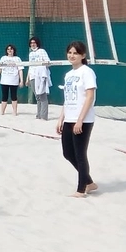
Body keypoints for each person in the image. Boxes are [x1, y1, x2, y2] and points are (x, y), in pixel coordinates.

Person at [57, 40, 98, 198]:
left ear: (83, 55)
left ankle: (81, 189)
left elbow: (89, 97)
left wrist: (80, 120)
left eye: (75, 53)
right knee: (67, 153)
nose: (72, 55)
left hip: (83, 119)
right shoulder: (69, 75)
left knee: (80, 154)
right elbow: (67, 99)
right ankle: (89, 182)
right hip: (69, 118)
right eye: (70, 52)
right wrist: (61, 118)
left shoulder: (86, 72)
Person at [0, 43, 24, 115]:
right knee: (4, 96)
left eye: (11, 49)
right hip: (4, 80)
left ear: (14, 50)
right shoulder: (3, 58)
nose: (10, 50)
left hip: (14, 80)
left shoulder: (17, 59)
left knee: (14, 96)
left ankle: (14, 112)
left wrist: (21, 80)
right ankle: (2, 112)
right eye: (8, 49)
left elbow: (20, 70)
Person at [27, 36, 52, 120]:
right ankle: (39, 115)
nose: (32, 44)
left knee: (43, 96)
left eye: (34, 43)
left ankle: (44, 116)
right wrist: (28, 78)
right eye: (31, 43)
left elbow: (48, 62)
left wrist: (42, 70)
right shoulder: (31, 54)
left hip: (41, 76)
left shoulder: (42, 51)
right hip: (32, 76)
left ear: (37, 43)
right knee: (37, 96)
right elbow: (30, 66)